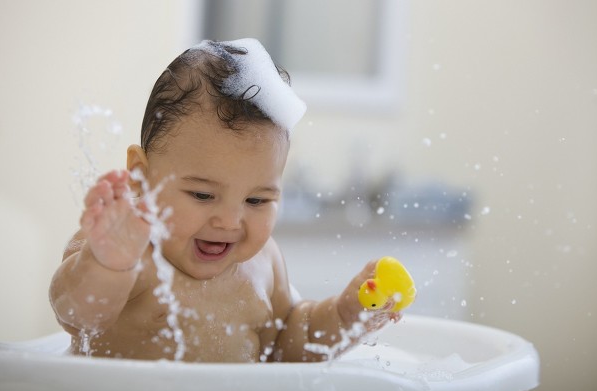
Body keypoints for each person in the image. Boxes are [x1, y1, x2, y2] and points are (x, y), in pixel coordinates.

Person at [49, 39, 398, 363]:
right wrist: (108, 263)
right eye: (202, 195)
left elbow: (291, 343)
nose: (230, 221)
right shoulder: (125, 248)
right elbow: (77, 315)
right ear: (141, 176)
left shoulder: (263, 264)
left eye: (257, 200)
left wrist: (348, 316)